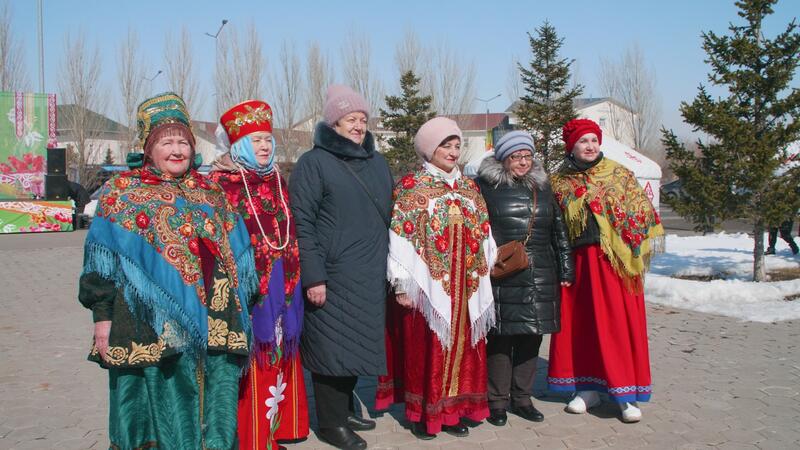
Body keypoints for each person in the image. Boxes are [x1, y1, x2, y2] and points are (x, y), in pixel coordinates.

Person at [78, 92, 258, 449]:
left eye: (183, 142)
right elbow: (100, 268)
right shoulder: (122, 193)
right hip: (147, 327)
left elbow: (240, 256)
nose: (177, 150)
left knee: (214, 415)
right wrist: (102, 320)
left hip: (215, 326)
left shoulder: (211, 193)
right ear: (148, 148)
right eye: (166, 142)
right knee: (155, 417)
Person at [375, 117, 496, 439]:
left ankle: (454, 411)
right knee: (426, 350)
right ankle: (422, 413)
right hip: (427, 289)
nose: (453, 152)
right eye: (446, 145)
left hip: (466, 288)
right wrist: (401, 283)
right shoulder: (412, 187)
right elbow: (399, 239)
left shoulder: (471, 188)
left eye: (457, 146)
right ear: (430, 149)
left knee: (464, 350)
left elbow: (485, 233)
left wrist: (485, 266)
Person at [289, 85, 394, 450]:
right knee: (331, 349)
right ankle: (330, 424)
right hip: (332, 275)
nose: (358, 126)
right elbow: (301, 222)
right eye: (351, 119)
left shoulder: (376, 162)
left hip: (369, 274)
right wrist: (313, 275)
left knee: (355, 346)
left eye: (363, 120)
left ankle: (346, 409)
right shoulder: (313, 163)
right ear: (333, 123)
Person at [546, 118, 664, 423]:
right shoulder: (559, 181)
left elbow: (643, 213)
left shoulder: (619, 174)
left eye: (594, 141)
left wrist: (608, 214)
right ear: (571, 146)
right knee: (582, 328)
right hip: (579, 263)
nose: (589, 146)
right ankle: (587, 389)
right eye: (583, 141)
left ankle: (626, 395)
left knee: (615, 326)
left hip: (616, 264)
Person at [209, 99, 309, 449]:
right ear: (237, 146)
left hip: (285, 282)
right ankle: (252, 438)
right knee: (254, 360)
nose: (265, 146)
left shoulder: (277, 181)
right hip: (248, 289)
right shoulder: (221, 186)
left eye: (268, 139)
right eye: (256, 140)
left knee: (280, 354)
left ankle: (276, 430)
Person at [475, 131, 574, 426]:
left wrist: (566, 268)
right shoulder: (484, 187)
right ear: (503, 159)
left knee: (531, 337)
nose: (522, 162)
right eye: (516, 156)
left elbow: (559, 230)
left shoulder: (542, 188)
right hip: (502, 272)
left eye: (527, 156)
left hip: (540, 272)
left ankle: (522, 398)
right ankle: (496, 401)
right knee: (501, 339)